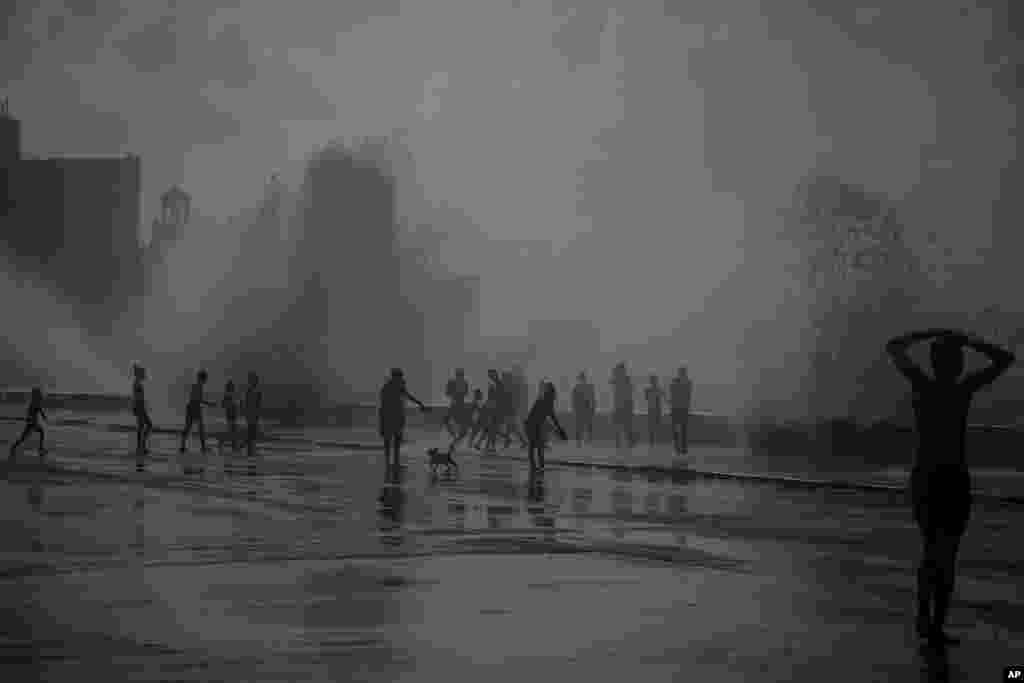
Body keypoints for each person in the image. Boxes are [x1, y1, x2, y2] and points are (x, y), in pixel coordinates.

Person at [885, 328, 1015, 647]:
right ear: (950, 364)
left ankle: (930, 621)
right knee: (942, 553)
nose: (957, 364)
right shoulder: (956, 389)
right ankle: (929, 621)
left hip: (937, 477)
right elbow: (1003, 359)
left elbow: (895, 346)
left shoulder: (927, 385)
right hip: (944, 478)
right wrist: (967, 340)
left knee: (938, 552)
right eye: (954, 359)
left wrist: (934, 335)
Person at [379, 368, 428, 469]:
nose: (401, 379)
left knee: (395, 439)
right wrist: (419, 404)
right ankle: (390, 462)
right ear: (395, 377)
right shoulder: (390, 387)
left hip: (395, 415)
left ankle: (393, 462)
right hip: (391, 415)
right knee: (390, 440)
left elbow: (407, 396)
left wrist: (419, 403)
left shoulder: (391, 386)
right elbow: (407, 396)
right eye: (400, 377)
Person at [524, 381, 568, 471]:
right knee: (536, 446)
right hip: (532, 425)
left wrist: (559, 429)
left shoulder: (543, 401)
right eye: (552, 393)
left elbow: (552, 417)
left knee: (536, 447)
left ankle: (537, 466)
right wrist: (559, 430)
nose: (554, 396)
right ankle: (537, 466)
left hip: (534, 425)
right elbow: (552, 418)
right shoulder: (544, 402)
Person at [179, 370, 215, 454]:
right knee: (199, 429)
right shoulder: (198, 386)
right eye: (205, 379)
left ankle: (183, 446)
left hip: (192, 407)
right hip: (194, 407)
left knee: (189, 428)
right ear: (202, 378)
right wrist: (209, 403)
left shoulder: (196, 386)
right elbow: (198, 399)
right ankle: (202, 447)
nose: (206, 381)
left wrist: (207, 403)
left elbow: (196, 398)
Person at [9, 387, 47, 462]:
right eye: (39, 393)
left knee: (37, 433)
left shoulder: (34, 402)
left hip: (32, 423)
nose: (41, 395)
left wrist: (40, 416)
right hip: (32, 423)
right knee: (25, 437)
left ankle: (40, 448)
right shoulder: (35, 402)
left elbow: (35, 411)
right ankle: (14, 447)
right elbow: (39, 411)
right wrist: (43, 417)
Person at [474, 369, 505, 453]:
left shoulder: (498, 384)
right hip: (492, 409)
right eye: (489, 375)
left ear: (495, 374)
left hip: (495, 409)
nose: (490, 377)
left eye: (492, 375)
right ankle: (487, 446)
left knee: (491, 429)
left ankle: (483, 445)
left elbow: (499, 397)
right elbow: (491, 397)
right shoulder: (493, 384)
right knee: (491, 429)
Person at [668, 367, 693, 455]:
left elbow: (673, 394)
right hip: (680, 408)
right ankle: (680, 448)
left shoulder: (682, 382)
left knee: (681, 429)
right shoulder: (687, 382)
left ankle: (680, 448)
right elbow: (688, 396)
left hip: (679, 408)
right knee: (680, 429)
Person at [610, 362, 635, 448]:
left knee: (625, 427)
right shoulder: (620, 379)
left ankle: (626, 443)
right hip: (621, 406)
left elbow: (629, 392)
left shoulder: (623, 379)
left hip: (624, 406)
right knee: (621, 427)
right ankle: (621, 443)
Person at [132, 363, 153, 455]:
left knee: (142, 427)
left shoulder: (137, 382)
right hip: (139, 407)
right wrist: (139, 407)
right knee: (148, 426)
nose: (145, 375)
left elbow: (138, 397)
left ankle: (141, 446)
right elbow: (138, 397)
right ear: (140, 374)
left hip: (139, 407)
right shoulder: (137, 383)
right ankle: (141, 446)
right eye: (143, 373)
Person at [571, 371, 596, 446]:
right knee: (582, 426)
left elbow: (592, 398)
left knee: (585, 425)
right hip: (582, 408)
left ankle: (584, 440)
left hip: (584, 408)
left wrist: (592, 408)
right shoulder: (579, 387)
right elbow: (574, 399)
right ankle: (581, 441)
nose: (582, 379)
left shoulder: (580, 387)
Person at [442, 369, 469, 438]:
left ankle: (456, 435)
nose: (459, 376)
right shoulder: (454, 382)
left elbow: (447, 393)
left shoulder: (461, 383)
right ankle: (455, 435)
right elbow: (447, 393)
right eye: (459, 375)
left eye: (460, 375)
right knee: (451, 421)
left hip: (458, 404)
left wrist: (454, 393)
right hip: (457, 404)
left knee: (456, 421)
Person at [243, 372, 262, 458]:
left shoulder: (255, 391)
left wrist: (257, 414)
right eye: (254, 380)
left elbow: (258, 404)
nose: (255, 382)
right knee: (251, 432)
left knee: (252, 432)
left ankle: (249, 448)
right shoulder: (250, 391)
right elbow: (247, 403)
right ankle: (249, 449)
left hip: (253, 414)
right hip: (251, 414)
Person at [644, 374, 665, 446]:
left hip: (654, 409)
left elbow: (646, 398)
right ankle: (653, 440)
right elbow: (663, 395)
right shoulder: (652, 389)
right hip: (653, 409)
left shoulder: (649, 390)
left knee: (654, 425)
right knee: (653, 426)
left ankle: (654, 440)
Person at [221, 379, 238, 451]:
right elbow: (224, 404)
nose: (233, 387)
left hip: (232, 414)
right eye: (232, 386)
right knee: (232, 431)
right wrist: (231, 405)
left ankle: (233, 445)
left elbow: (224, 404)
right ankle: (232, 445)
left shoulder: (230, 394)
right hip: (230, 414)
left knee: (232, 431)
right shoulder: (228, 394)